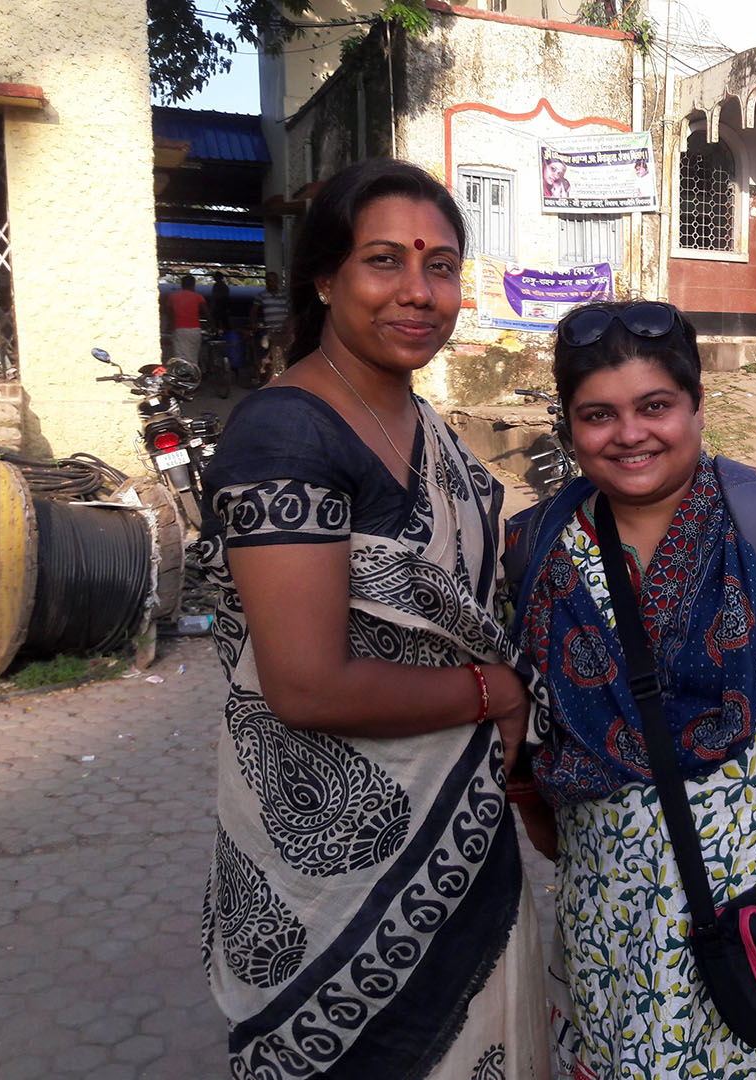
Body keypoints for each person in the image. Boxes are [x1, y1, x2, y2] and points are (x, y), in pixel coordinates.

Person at [193, 158, 550, 1080]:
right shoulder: (286, 434)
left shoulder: (421, 423)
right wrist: (495, 690)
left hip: (460, 838)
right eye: (384, 261)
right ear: (325, 278)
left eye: (441, 266)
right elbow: (306, 685)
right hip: (336, 881)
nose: (419, 292)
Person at [506, 300, 756, 1079]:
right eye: (599, 415)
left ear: (696, 405)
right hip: (611, 939)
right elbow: (534, 744)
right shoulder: (539, 554)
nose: (630, 434)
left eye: (655, 406)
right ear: (569, 424)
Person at [251, 270, 291, 378]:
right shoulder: (261, 296)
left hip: (283, 331)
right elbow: (254, 311)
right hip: (269, 330)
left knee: (285, 353)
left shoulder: (284, 294)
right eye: (269, 281)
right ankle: (264, 373)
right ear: (266, 282)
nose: (271, 283)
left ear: (277, 281)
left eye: (273, 281)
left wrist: (287, 323)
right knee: (265, 352)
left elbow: (291, 310)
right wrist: (254, 323)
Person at [166, 274, 207, 367]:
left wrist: (171, 323)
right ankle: (193, 376)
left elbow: (168, 312)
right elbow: (206, 312)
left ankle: (182, 377)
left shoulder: (172, 296)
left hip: (179, 329)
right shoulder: (198, 297)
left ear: (182, 285)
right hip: (194, 330)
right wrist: (212, 325)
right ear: (193, 285)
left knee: (180, 357)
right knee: (193, 356)